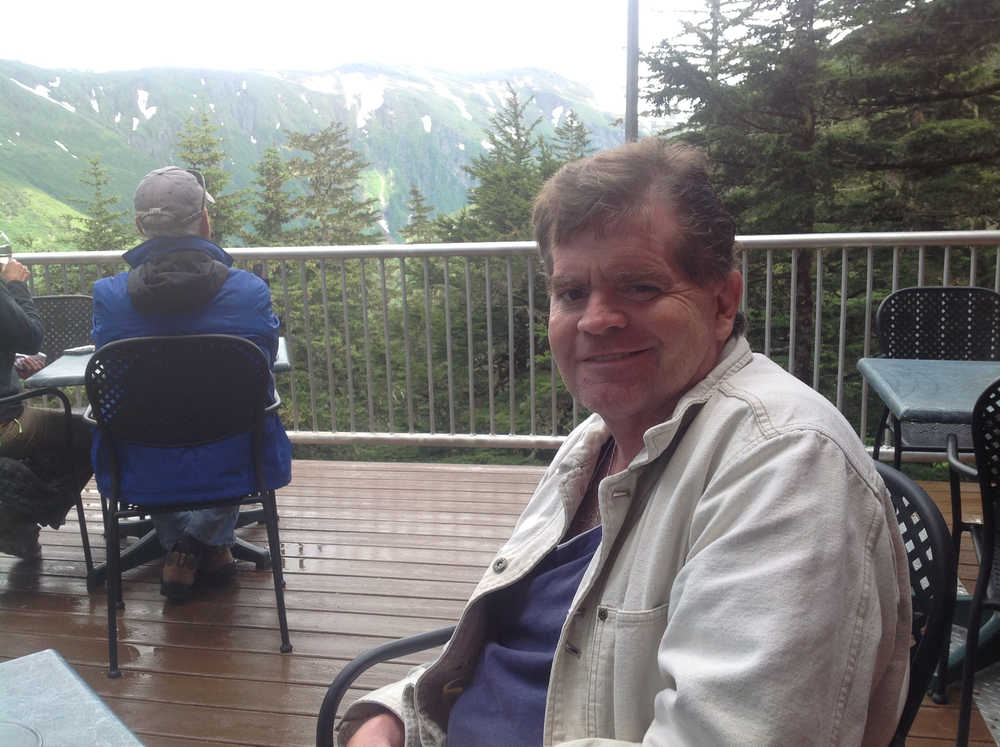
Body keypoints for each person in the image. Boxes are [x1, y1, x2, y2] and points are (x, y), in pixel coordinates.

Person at [339, 139, 911, 746]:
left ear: (722, 302)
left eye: (639, 287)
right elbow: (524, 646)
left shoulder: (785, 463)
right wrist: (393, 716)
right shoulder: (596, 443)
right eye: (571, 293)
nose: (596, 319)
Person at [91, 166, 292, 602]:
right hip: (238, 452)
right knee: (238, 411)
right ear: (204, 221)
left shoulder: (109, 296)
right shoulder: (249, 291)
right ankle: (205, 543)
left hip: (139, 457)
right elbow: (264, 362)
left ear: (140, 226)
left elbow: (116, 378)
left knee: (155, 416)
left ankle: (183, 549)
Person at [0, 258, 93, 559]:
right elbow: (31, 337)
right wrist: (16, 285)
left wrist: (11, 365)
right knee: (91, 432)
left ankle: (17, 518)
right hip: (5, 423)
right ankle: (28, 514)